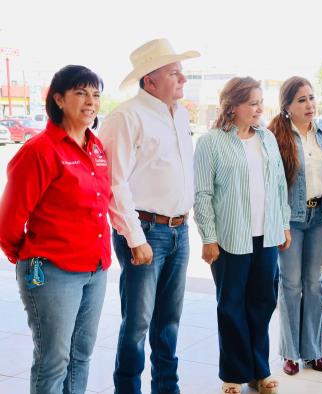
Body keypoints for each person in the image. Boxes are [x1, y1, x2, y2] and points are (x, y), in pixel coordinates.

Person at [0, 65, 110, 394]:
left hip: (95, 268)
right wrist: (27, 256)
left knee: (81, 355)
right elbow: (8, 218)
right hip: (52, 271)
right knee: (53, 359)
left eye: (95, 95)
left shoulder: (96, 147)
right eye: (81, 93)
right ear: (59, 99)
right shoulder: (39, 150)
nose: (90, 101)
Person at [99, 38, 200, 394]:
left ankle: (166, 388)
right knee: (138, 324)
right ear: (149, 80)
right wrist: (135, 239)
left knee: (169, 322)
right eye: (174, 72)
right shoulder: (126, 117)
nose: (183, 79)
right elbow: (114, 184)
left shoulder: (181, 114)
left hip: (179, 231)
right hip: (144, 231)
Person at [194, 77, 290, 394]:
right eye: (252, 103)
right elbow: (203, 194)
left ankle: (259, 371)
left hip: (267, 236)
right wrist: (208, 237)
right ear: (233, 106)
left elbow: (279, 186)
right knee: (231, 305)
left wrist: (284, 224)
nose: (259, 108)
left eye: (261, 102)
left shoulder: (267, 139)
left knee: (262, 303)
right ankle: (234, 373)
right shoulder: (211, 142)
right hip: (230, 239)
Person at [268, 76, 322, 376]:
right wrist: (279, 225)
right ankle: (290, 352)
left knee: (315, 284)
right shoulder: (275, 136)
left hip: (319, 218)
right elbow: (273, 185)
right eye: (302, 100)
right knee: (291, 284)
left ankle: (313, 351)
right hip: (290, 220)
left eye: (311, 97)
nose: (310, 104)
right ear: (287, 106)